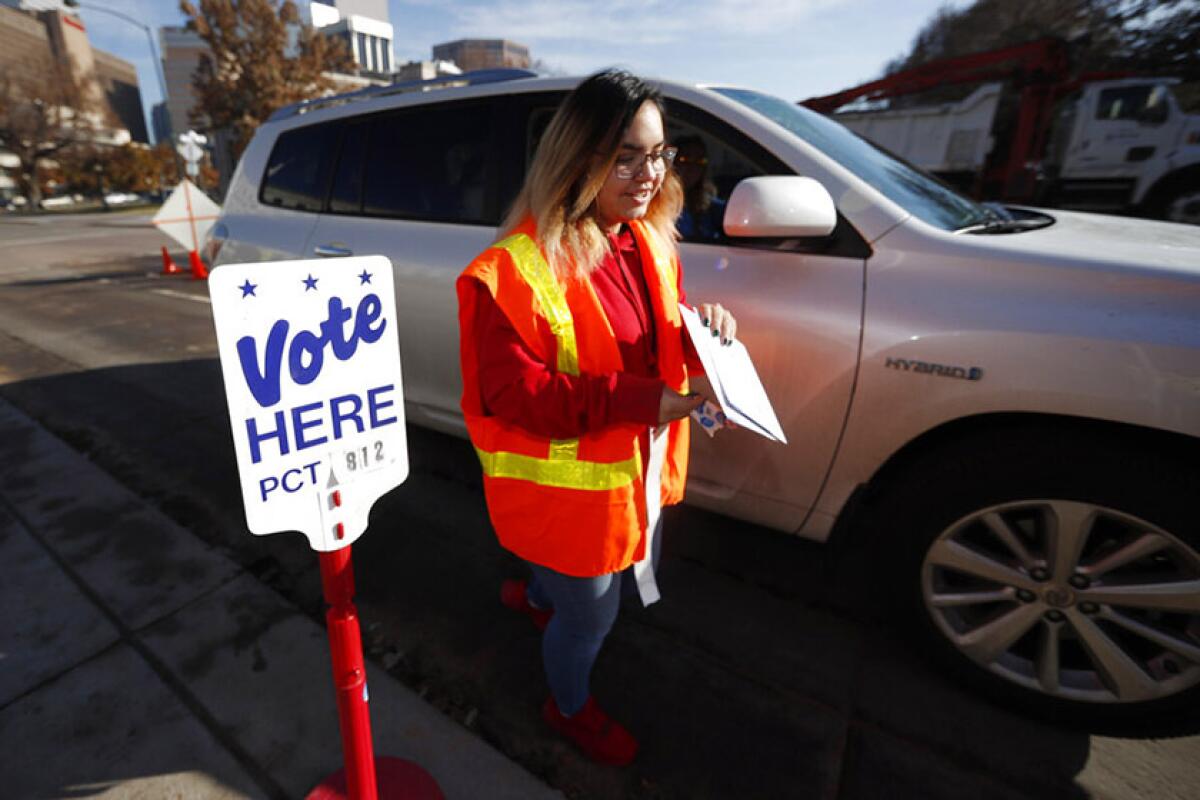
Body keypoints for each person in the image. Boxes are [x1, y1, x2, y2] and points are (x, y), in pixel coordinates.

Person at [455, 69, 738, 766]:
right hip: (572, 495)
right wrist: (638, 401)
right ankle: (568, 706)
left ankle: (531, 592)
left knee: (562, 593)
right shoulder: (516, 267)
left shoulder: (644, 237)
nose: (649, 174)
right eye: (627, 156)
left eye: (660, 154)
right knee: (591, 618)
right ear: (578, 157)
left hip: (619, 475)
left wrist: (701, 329)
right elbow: (517, 395)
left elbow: (642, 330)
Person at [673, 135, 726, 241]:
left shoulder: (710, 207)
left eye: (700, 161)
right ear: (672, 163)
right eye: (685, 159)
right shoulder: (658, 203)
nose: (693, 167)